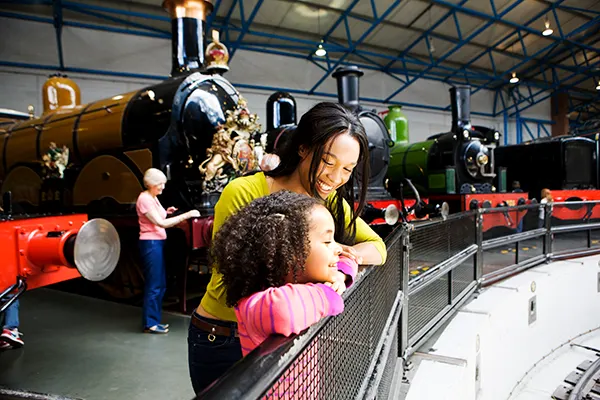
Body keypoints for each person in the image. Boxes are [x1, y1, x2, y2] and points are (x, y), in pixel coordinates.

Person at [188, 102, 387, 393]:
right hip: (223, 338)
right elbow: (234, 275)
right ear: (303, 148)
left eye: (348, 169)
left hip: (281, 334)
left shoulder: (328, 201)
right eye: (328, 162)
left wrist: (342, 260)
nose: (336, 178)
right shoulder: (245, 192)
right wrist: (323, 271)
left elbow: (377, 247)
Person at [214, 191, 357, 355]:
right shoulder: (255, 305)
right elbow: (284, 311)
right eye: (327, 241)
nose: (338, 248)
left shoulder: (303, 285)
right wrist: (328, 293)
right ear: (288, 253)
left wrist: (340, 275)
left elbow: (350, 259)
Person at [137, 168, 200, 334]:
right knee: (154, 284)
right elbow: (161, 223)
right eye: (160, 184)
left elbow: (159, 217)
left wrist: (167, 212)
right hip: (151, 243)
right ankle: (150, 323)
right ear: (151, 184)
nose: (163, 187)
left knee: (160, 283)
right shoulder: (145, 199)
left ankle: (153, 321)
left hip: (156, 243)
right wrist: (187, 215)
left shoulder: (152, 198)